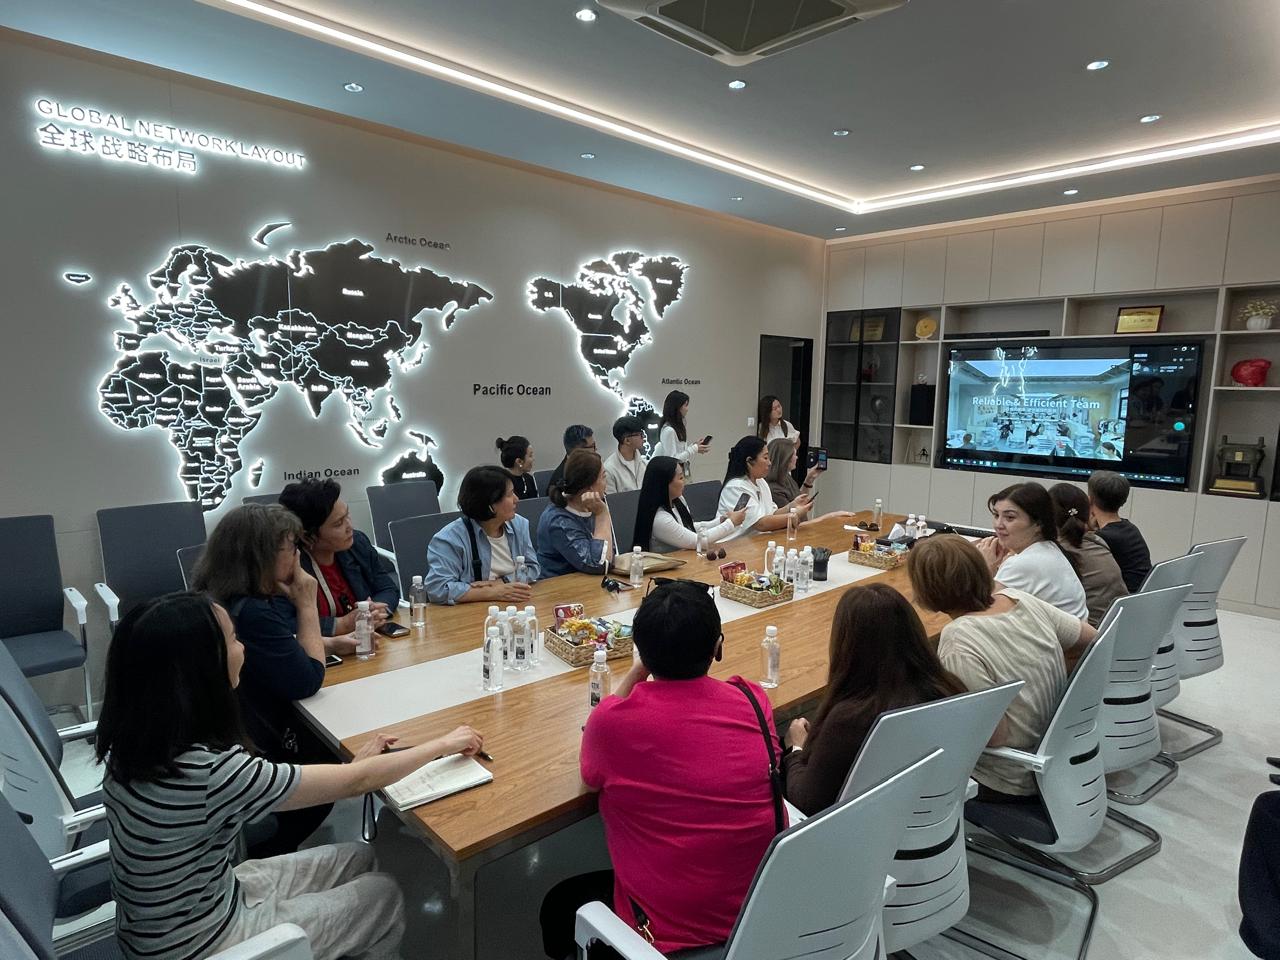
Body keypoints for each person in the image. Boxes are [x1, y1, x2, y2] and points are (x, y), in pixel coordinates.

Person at [94, 591, 483, 960]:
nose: (242, 648)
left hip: (173, 920)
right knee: (383, 895)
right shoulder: (209, 773)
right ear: (201, 669)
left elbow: (343, 780)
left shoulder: (132, 746)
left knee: (360, 856)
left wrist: (354, 771)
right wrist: (442, 744)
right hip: (201, 944)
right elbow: (356, 784)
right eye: (233, 640)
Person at [540, 580, 786, 958]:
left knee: (558, 903)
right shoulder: (753, 700)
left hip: (665, 936)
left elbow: (590, 777)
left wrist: (639, 669)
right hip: (760, 911)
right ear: (717, 648)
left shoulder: (613, 724)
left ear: (642, 652)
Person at [193, 504, 347, 855]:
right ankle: (271, 856)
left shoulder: (222, 598)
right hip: (257, 755)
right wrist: (307, 604)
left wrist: (328, 642)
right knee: (330, 750)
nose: (297, 557)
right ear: (262, 556)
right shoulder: (252, 612)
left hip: (229, 739)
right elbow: (308, 679)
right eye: (292, 548)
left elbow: (283, 645)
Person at [907, 535, 1095, 800]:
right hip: (1063, 755)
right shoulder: (1019, 598)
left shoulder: (958, 640)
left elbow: (994, 736)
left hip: (1010, 779)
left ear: (926, 592)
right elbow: (1093, 640)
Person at [782, 583, 965, 815]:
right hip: (931, 821)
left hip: (865, 829)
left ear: (847, 645)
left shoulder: (852, 717)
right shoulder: (948, 690)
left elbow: (807, 801)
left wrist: (796, 748)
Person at [278, 480, 398, 637]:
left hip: (368, 641)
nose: (350, 527)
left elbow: (387, 588)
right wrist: (341, 625)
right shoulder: (285, 565)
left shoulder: (357, 543)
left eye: (347, 515)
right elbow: (282, 623)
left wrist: (375, 610)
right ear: (308, 536)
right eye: (338, 524)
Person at [426, 465, 540, 604]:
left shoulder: (519, 525)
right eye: (510, 494)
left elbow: (532, 568)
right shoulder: (449, 539)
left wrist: (502, 582)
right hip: (471, 610)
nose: (517, 499)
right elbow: (438, 589)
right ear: (490, 504)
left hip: (516, 602)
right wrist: (492, 592)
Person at [974, 482, 1089, 619]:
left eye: (1010, 517)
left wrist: (985, 568)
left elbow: (980, 615)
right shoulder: (1049, 548)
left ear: (1038, 524)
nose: (998, 525)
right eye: (996, 515)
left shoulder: (1024, 563)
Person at [1049, 483, 1128, 627]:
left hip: (1091, 633)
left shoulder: (1055, 553)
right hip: (1118, 625)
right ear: (1089, 512)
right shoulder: (1097, 541)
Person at [631, 455, 744, 552]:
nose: (684, 481)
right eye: (680, 478)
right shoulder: (660, 518)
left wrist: (719, 521)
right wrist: (731, 523)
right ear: (664, 483)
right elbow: (697, 541)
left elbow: (689, 527)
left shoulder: (678, 501)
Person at [716, 436, 813, 539]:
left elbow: (772, 513)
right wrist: (794, 516)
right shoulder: (736, 487)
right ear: (749, 461)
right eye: (765, 458)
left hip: (757, 541)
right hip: (733, 544)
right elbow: (760, 524)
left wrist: (792, 506)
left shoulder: (761, 482)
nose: (769, 463)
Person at [537, 449, 614, 577]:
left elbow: (610, 554)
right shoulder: (559, 520)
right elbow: (599, 565)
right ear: (590, 486)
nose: (606, 483)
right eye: (603, 477)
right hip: (560, 586)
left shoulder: (593, 506)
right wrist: (602, 515)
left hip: (588, 583)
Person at [1087, 470, 1153, 591]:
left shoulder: (1100, 539)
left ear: (1090, 500)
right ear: (1123, 500)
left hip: (1123, 598)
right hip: (1140, 595)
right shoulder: (1131, 528)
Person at [653, 390, 709, 478]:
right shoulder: (669, 430)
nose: (687, 409)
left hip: (683, 471)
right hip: (674, 476)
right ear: (677, 407)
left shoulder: (677, 427)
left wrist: (694, 446)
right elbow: (672, 460)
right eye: (685, 405)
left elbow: (680, 451)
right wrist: (694, 449)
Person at [765, 437, 820, 508]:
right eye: (794, 455)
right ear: (785, 459)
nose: (797, 457)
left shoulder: (786, 477)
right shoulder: (774, 490)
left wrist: (809, 480)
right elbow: (793, 512)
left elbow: (799, 500)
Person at [603, 415, 647, 494]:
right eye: (640, 434)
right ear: (627, 441)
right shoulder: (609, 469)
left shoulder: (645, 464)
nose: (643, 437)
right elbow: (611, 499)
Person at [546, 424, 596, 492]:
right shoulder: (561, 482)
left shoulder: (587, 467)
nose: (596, 449)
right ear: (579, 451)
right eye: (593, 446)